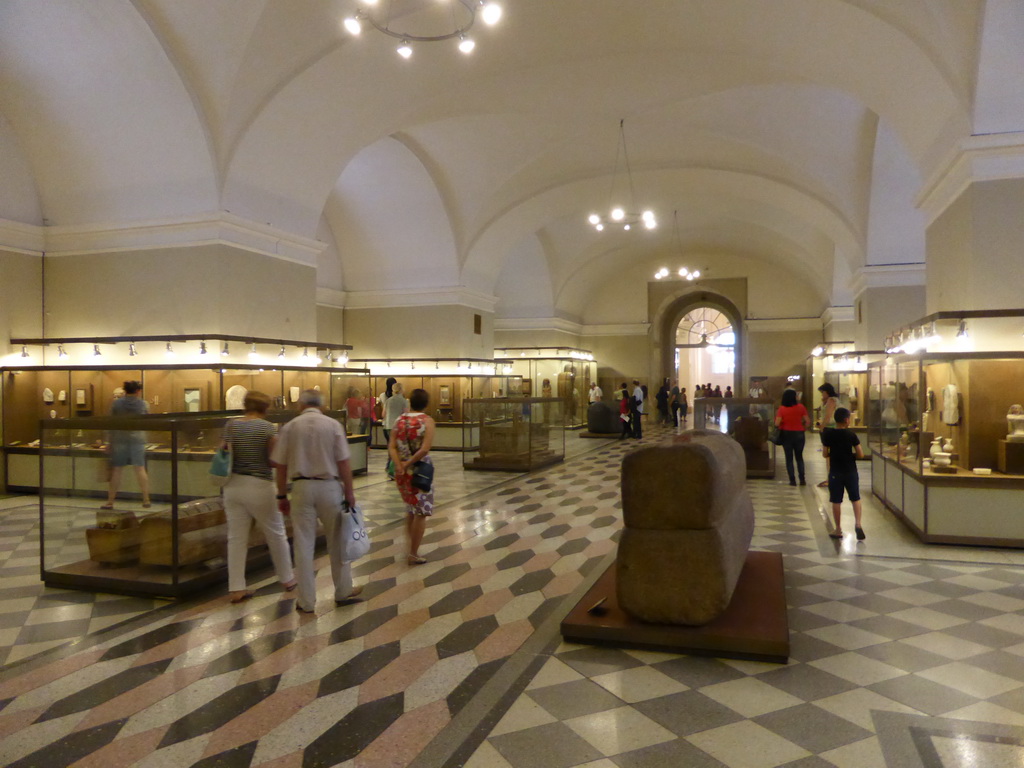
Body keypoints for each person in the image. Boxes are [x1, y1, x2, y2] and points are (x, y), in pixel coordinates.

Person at [272, 389, 361, 613]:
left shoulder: (290, 427)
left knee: (303, 545)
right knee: (337, 542)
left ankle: (307, 601)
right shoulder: (333, 425)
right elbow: (344, 463)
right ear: (321, 406)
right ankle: (342, 591)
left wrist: (281, 494)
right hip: (329, 487)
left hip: (301, 487)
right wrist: (349, 492)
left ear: (300, 405)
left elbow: (280, 466)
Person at [222, 391, 295, 603]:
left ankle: (236, 588)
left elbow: (223, 451)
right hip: (259, 485)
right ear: (265, 407)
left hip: (232, 485)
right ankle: (287, 578)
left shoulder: (231, 425)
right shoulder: (266, 427)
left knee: (236, 538)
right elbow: (274, 459)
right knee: (275, 533)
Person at [389, 388, 436, 564]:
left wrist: (400, 464)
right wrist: (409, 464)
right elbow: (425, 449)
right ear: (426, 403)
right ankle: (413, 553)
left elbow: (392, 446)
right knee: (421, 512)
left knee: (410, 509)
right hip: (420, 471)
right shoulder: (427, 421)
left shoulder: (399, 420)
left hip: (401, 472)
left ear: (410, 401)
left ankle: (411, 547)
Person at [103, 380, 151, 509]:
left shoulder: (117, 404)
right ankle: (146, 499)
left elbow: (110, 423)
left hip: (119, 440)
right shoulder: (143, 404)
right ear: (138, 391)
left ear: (125, 391)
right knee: (140, 469)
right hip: (137, 440)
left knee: (117, 470)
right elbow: (147, 421)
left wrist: (109, 442)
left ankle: (110, 501)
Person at [821, 407, 865, 540]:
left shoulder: (828, 434)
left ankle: (838, 529)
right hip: (850, 470)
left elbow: (824, 453)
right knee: (855, 498)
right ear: (846, 420)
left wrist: (832, 453)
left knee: (836, 500)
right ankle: (858, 524)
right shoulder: (851, 435)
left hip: (835, 471)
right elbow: (861, 454)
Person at [774, 387, 810, 486]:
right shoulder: (801, 407)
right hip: (799, 434)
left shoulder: (782, 409)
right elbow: (807, 421)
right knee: (799, 457)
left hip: (786, 434)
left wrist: (782, 423)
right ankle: (802, 479)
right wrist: (803, 428)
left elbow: (777, 423)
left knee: (789, 458)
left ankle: (792, 480)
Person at [817, 382, 839, 487]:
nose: (822, 395)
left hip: (830, 429)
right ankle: (831, 476)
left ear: (827, 392)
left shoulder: (831, 400)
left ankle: (831, 477)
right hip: (831, 428)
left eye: (822, 392)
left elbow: (828, 415)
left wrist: (822, 427)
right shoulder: (830, 400)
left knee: (829, 454)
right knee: (829, 455)